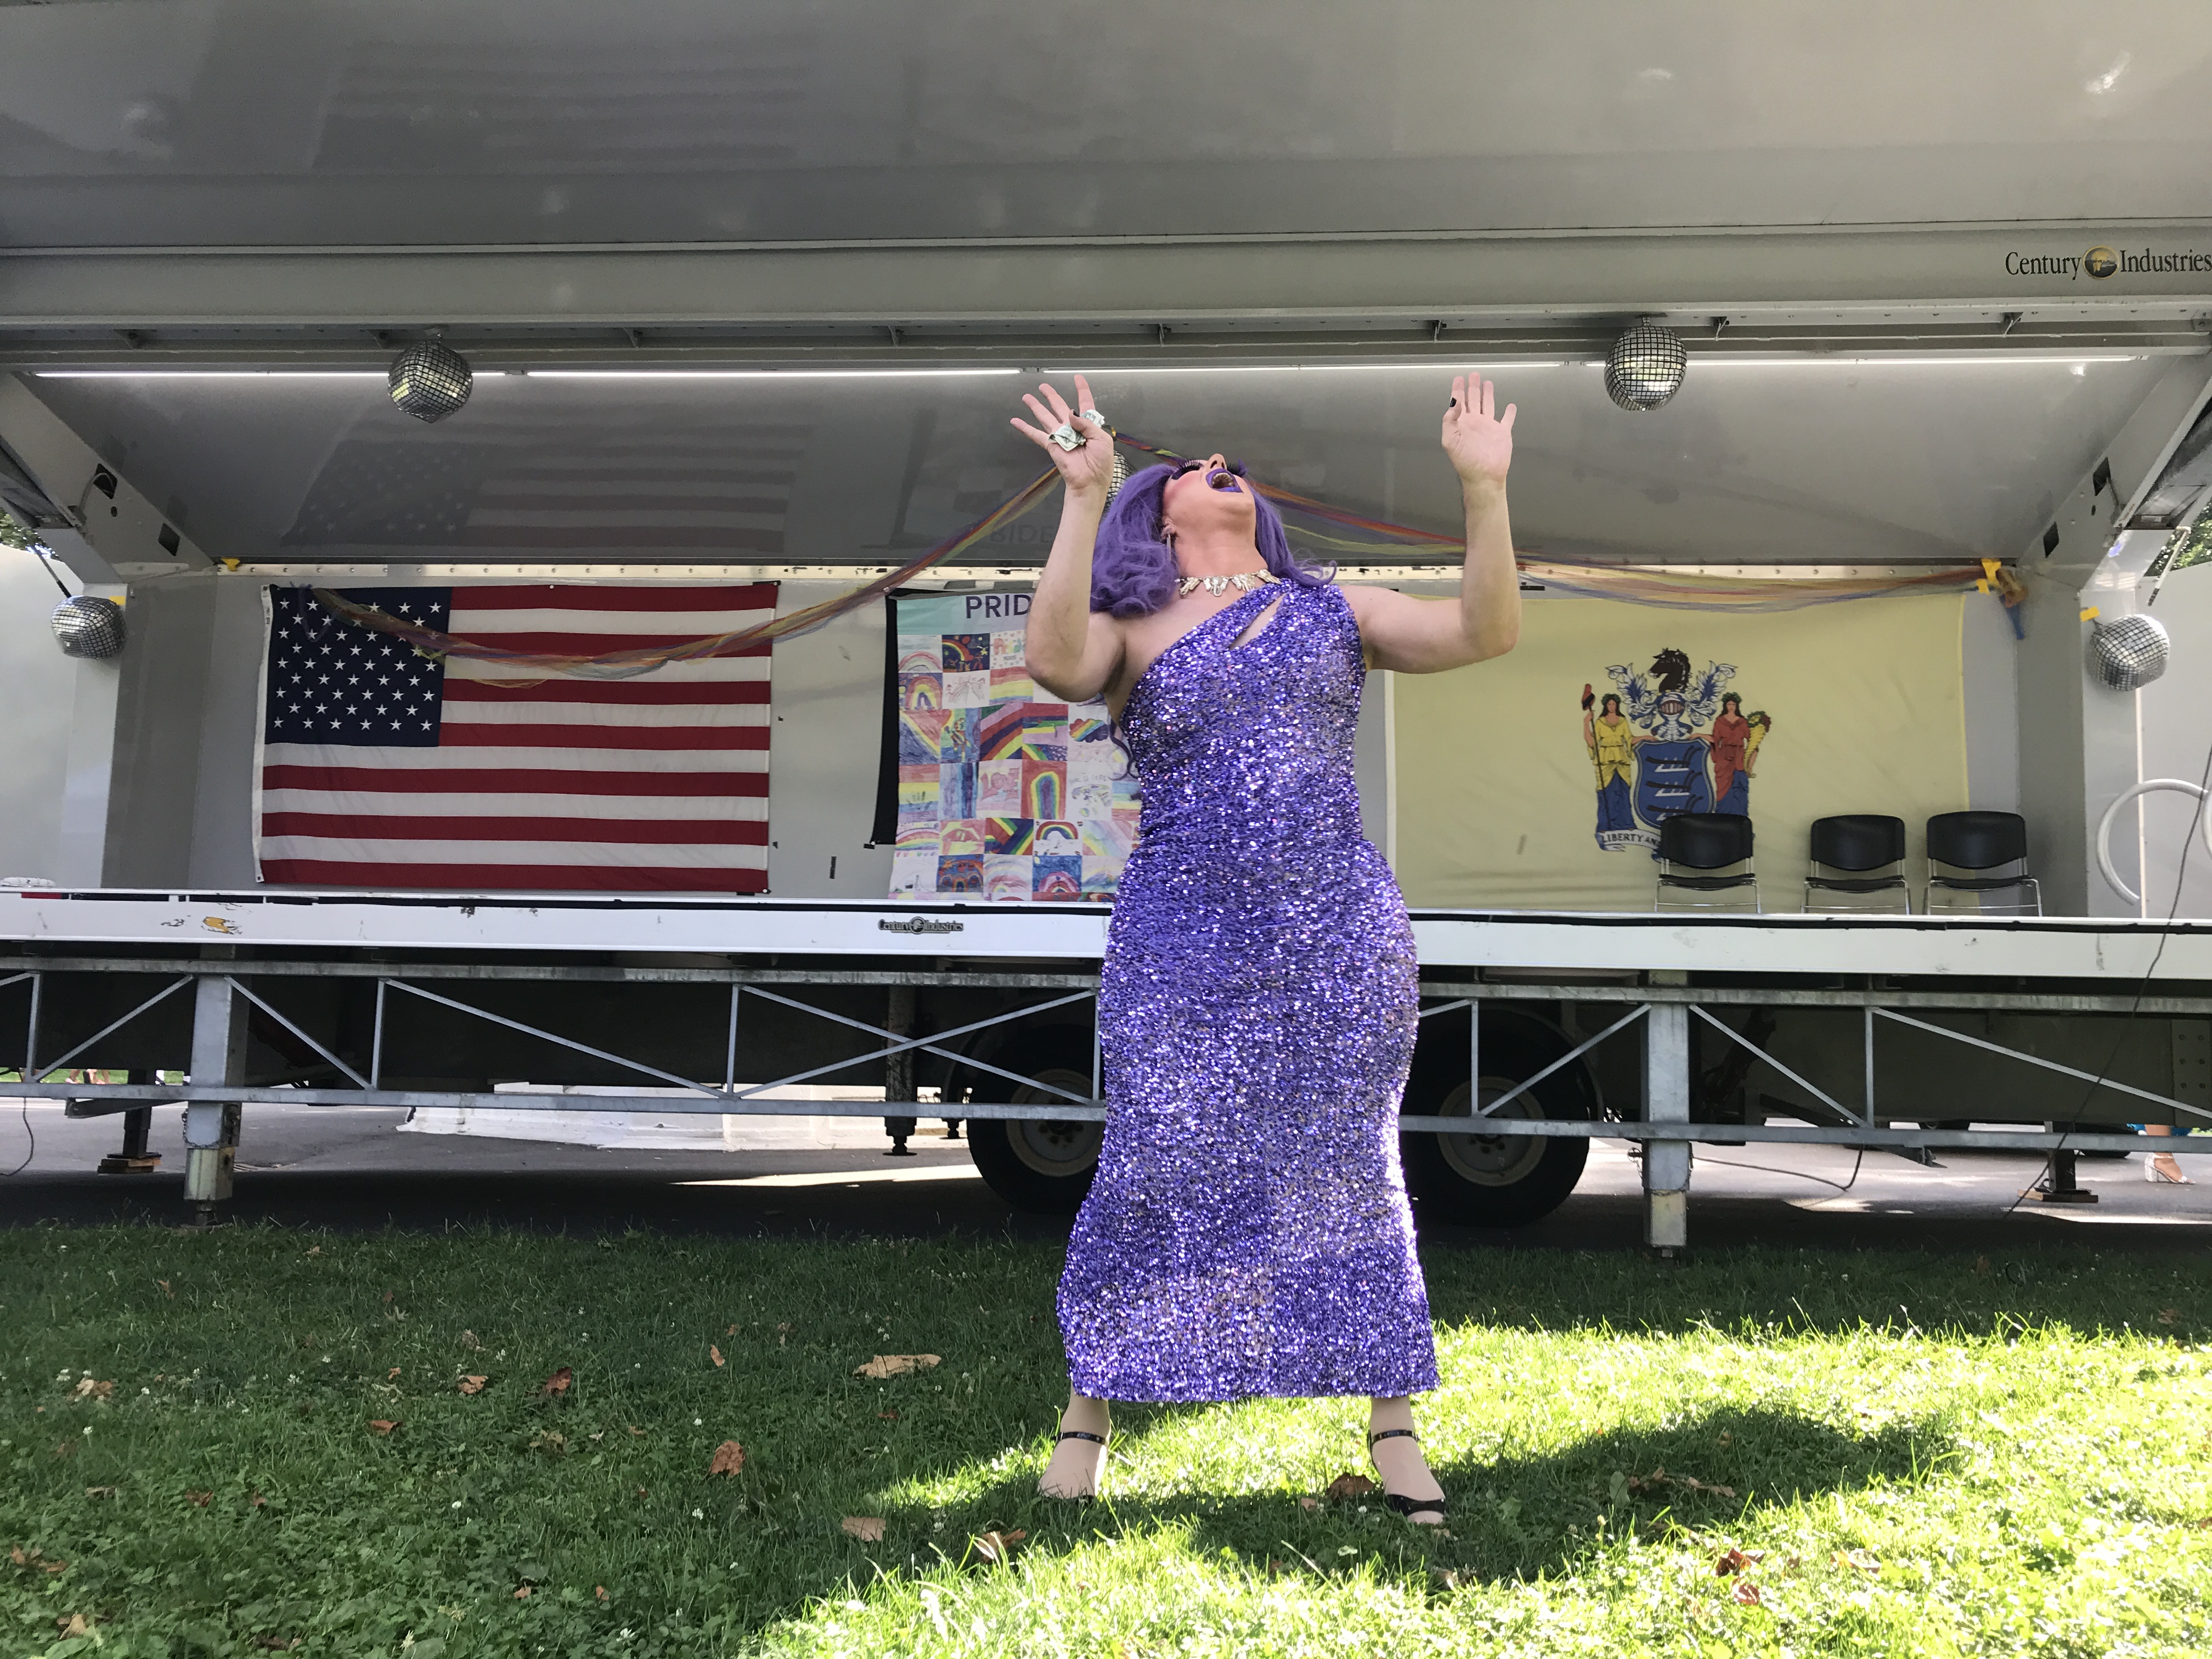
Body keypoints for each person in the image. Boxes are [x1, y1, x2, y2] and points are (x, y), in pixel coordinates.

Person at [1011, 371, 1521, 1523]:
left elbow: (1488, 629)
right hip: (1183, 933)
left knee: (1351, 1166)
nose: (1218, 460)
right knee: (1155, 1155)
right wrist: (1081, 497)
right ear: (1165, 515)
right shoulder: (1130, 626)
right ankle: (1090, 1413)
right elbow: (1051, 662)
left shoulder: (1336, 606)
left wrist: (1483, 491)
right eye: (1191, 465)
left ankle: (1393, 1429)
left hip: (1337, 930)